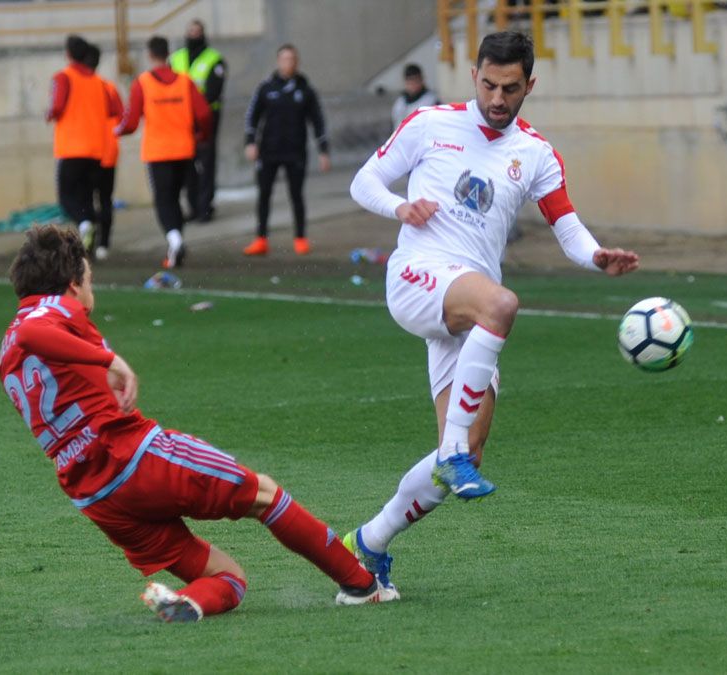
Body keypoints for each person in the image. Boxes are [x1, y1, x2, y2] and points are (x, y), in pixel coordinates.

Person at [345, 31, 639, 588]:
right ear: (473, 75)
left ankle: (369, 542)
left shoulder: (535, 153)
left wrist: (597, 256)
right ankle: (452, 447)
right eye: (488, 84)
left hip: (466, 308)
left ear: (530, 84)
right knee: (502, 304)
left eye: (510, 88)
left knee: (466, 457)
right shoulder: (431, 124)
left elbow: (567, 226)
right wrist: (401, 206)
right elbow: (365, 181)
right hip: (418, 277)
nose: (497, 98)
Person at [0, 226, 398, 622]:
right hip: (134, 458)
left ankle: (190, 603)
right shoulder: (52, 311)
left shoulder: (7, 348)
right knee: (264, 493)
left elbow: (31, 341)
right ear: (72, 284)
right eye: (90, 280)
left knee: (227, 577)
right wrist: (110, 361)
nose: (90, 290)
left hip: (97, 497)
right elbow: (36, 332)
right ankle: (362, 586)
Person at [116, 36, 213, 269]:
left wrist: (115, 130)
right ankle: (176, 244)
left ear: (150, 55)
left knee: (164, 200)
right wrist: (203, 136)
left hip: (158, 152)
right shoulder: (185, 81)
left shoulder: (143, 83)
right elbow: (204, 114)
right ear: (168, 53)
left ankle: (174, 238)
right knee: (176, 198)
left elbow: (130, 122)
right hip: (184, 149)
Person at [243, 44, 330, 257]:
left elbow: (317, 121)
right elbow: (252, 116)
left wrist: (323, 151)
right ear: (277, 61)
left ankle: (300, 238)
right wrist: (250, 142)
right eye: (283, 59)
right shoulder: (266, 88)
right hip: (269, 151)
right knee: (264, 194)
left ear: (296, 62)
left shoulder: (305, 90)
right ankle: (261, 238)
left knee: (296, 195)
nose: (287, 63)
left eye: (291, 59)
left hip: (295, 151)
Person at [47, 35, 114, 250]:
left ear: (68, 53)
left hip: (71, 147)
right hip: (96, 149)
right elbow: (113, 111)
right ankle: (91, 237)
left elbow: (57, 106)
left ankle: (86, 224)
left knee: (67, 198)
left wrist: (50, 114)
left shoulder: (64, 76)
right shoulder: (100, 82)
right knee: (86, 195)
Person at [170, 20, 226, 223]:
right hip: (182, 120)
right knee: (187, 166)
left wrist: (195, 109)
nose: (194, 35)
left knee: (206, 163)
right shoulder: (176, 58)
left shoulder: (214, 59)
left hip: (206, 119)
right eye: (191, 31)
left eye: (197, 31)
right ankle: (193, 206)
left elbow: (213, 92)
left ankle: (205, 207)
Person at [83, 44, 123, 262]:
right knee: (105, 199)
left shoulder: (85, 87)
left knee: (86, 198)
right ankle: (104, 244)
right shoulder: (108, 87)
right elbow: (121, 114)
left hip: (89, 151)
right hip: (109, 151)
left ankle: (88, 236)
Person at [391, 63, 440, 130]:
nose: (413, 85)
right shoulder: (400, 102)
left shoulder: (432, 101)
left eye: (415, 80)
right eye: (410, 81)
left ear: (421, 80)